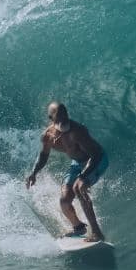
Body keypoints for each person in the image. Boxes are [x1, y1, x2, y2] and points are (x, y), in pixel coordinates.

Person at [25, 101, 108, 242]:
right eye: (59, 116)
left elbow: (95, 154)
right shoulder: (48, 136)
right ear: (51, 118)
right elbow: (44, 155)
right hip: (77, 164)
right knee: (64, 200)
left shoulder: (78, 131)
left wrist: (83, 177)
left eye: (65, 115)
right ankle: (78, 227)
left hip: (96, 159)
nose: (63, 119)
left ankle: (96, 233)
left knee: (79, 187)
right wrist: (34, 173)